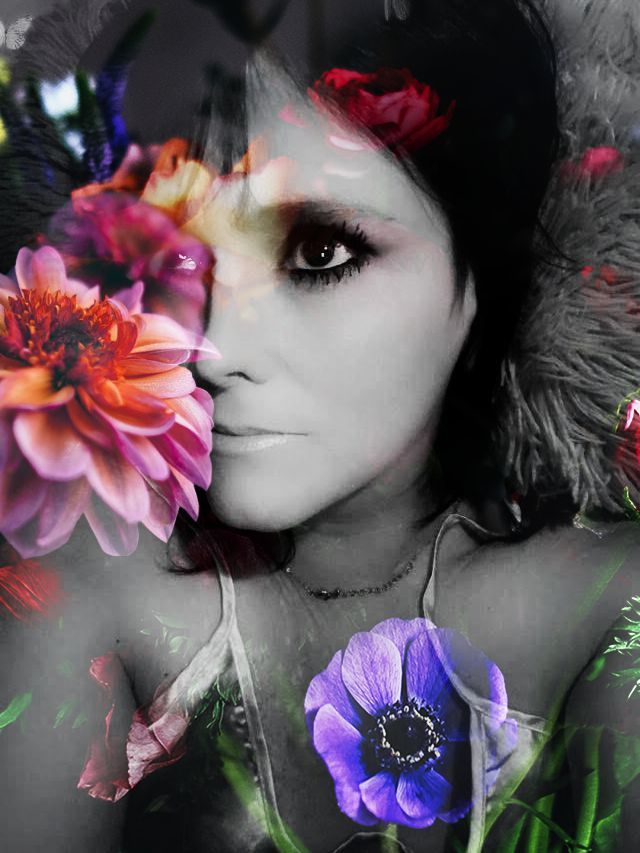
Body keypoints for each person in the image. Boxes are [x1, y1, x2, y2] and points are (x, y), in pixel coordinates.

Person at [1, 0, 639, 851]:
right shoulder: (82, 591)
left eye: (318, 253)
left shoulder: (611, 611)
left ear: (484, 276)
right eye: (175, 253)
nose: (212, 346)